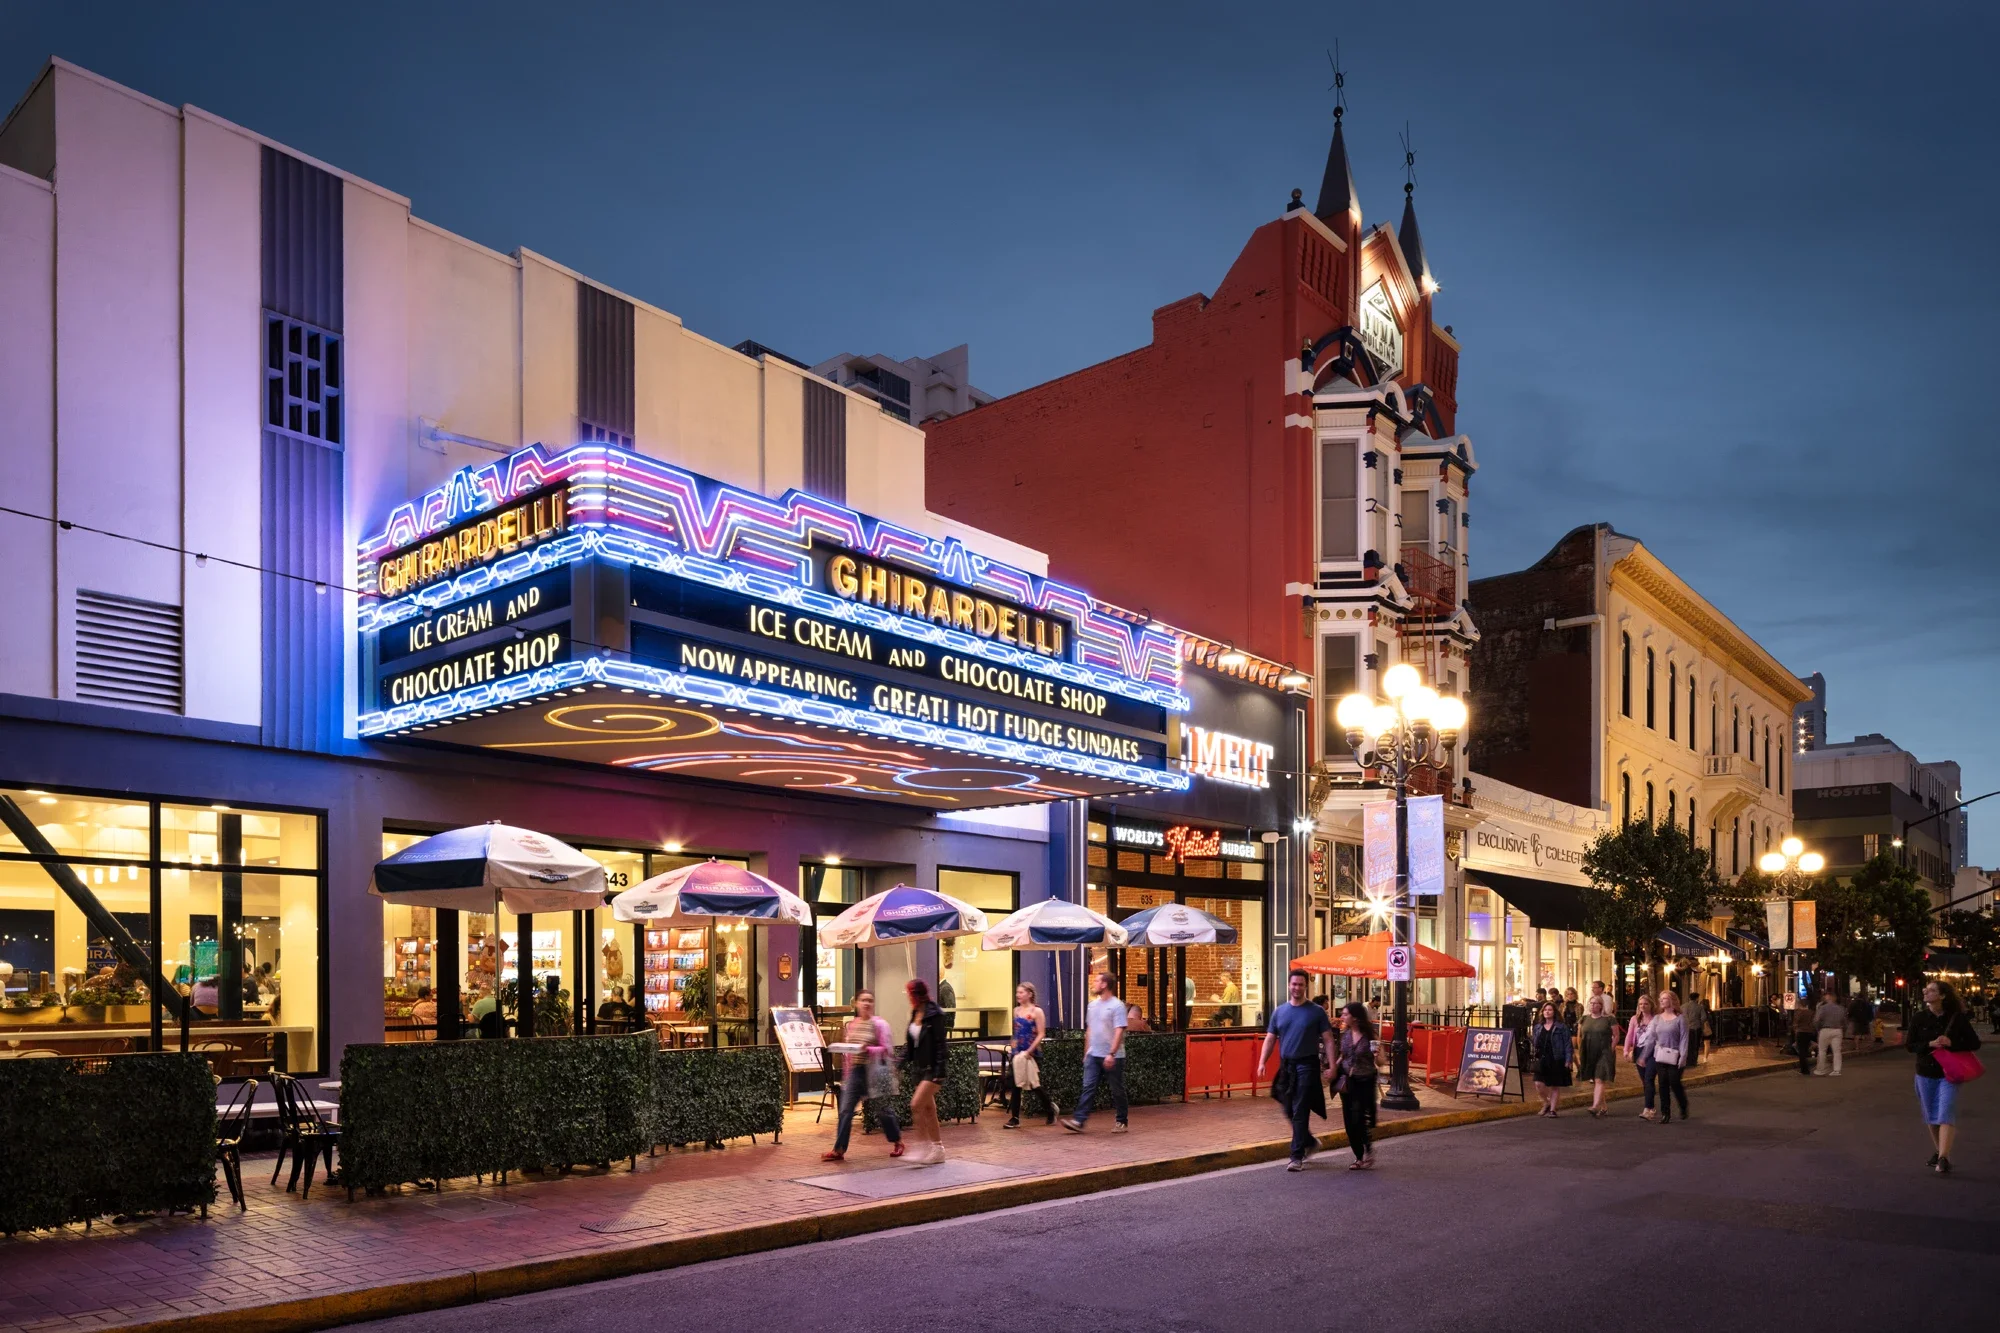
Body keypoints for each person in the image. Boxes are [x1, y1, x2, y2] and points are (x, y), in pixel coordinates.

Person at [1257, 969, 1336, 1170]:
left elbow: (1328, 1039)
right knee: (1286, 1105)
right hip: (1287, 1066)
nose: (1297, 988)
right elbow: (1270, 1038)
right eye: (1294, 984)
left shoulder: (1316, 1011)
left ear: (1306, 986)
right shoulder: (1279, 1011)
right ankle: (1308, 1141)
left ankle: (1296, 1156)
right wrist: (1262, 1062)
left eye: (1300, 984)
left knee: (1300, 1109)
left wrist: (1332, 1065)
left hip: (1307, 1065)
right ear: (1289, 985)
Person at [1905, 979, 1982, 1175]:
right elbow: (1910, 1045)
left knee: (1945, 1111)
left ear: (1942, 995)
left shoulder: (1956, 1018)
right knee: (1931, 1115)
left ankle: (1943, 1158)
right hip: (1925, 1072)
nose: (1925, 992)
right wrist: (1929, 1044)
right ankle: (1939, 1150)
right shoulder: (1919, 1018)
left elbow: (1974, 1043)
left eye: (1931, 990)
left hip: (1949, 1073)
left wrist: (1951, 1043)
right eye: (1926, 989)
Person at [824, 989, 903, 1162]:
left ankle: (897, 1141)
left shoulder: (880, 1024)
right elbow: (849, 1053)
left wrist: (868, 1049)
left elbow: (887, 1049)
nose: (867, 1003)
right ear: (857, 1003)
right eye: (863, 1000)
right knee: (846, 1110)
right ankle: (839, 1149)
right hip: (856, 1072)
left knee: (882, 1110)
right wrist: (847, 1076)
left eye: (870, 1000)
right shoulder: (853, 1025)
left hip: (873, 1072)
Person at [1064, 972, 1129, 1134]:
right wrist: (1086, 1052)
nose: (1093, 983)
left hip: (1113, 1056)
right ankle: (1079, 1120)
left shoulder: (1117, 1006)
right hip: (1094, 1054)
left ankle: (1122, 1120)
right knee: (1088, 1087)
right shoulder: (1092, 1005)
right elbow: (1090, 1030)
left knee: (1117, 1089)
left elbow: (1119, 1031)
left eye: (1097, 981)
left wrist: (1111, 1053)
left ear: (1104, 984)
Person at [902, 979, 949, 1164]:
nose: (907, 997)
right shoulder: (916, 1013)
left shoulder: (934, 1014)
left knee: (916, 1105)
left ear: (916, 994)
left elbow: (941, 1045)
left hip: (932, 1069)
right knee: (929, 1109)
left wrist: (939, 1070)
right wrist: (899, 1061)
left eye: (909, 993)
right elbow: (911, 1044)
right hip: (920, 1068)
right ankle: (938, 1149)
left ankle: (922, 1147)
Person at [1003, 983, 1056, 1129]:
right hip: (1017, 1053)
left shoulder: (1037, 1011)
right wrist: (1013, 1047)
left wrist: (1030, 1051)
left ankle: (1050, 1109)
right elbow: (1015, 1032)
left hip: (1031, 1053)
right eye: (1017, 992)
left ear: (1030, 994)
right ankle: (1014, 1118)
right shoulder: (1016, 1011)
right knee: (1016, 1084)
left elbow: (1041, 1033)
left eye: (1021, 992)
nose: (1018, 995)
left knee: (1034, 1084)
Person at [1333, 1001, 1378, 1170]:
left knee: (1359, 1118)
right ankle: (1358, 1156)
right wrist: (1333, 1068)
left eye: (1346, 1014)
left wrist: (1377, 1054)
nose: (1342, 1017)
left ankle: (1367, 1150)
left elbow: (1381, 1060)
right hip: (1348, 1081)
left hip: (1364, 1080)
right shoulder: (1345, 1035)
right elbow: (1343, 1055)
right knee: (1349, 1121)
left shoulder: (1370, 1036)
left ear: (1355, 1017)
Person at [1652, 992, 1689, 1123]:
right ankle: (1665, 1113)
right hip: (1661, 1055)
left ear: (1672, 1000)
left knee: (1674, 1082)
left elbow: (1684, 1038)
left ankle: (1683, 1105)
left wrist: (1683, 1056)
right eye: (1660, 999)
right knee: (1662, 1084)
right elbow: (1652, 1036)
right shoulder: (1657, 1018)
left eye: (1664, 998)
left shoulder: (1680, 1019)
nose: (1661, 1001)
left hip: (1675, 1055)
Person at [1531, 1001, 1573, 1117]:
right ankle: (1546, 1103)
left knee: (1555, 1085)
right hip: (1542, 1058)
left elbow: (1568, 1044)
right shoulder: (1538, 1027)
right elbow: (1534, 1042)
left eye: (1550, 1010)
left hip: (1556, 1058)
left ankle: (1553, 1110)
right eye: (1545, 1010)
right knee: (1538, 1084)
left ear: (1554, 1012)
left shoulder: (1561, 1027)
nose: (1547, 1012)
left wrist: (1568, 1059)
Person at [1579, 993, 1618, 1117]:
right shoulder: (1584, 1018)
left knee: (1599, 1079)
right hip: (1589, 1051)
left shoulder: (1609, 1018)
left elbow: (1616, 1035)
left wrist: (1611, 1049)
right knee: (1595, 1080)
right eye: (1591, 1003)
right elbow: (1580, 1035)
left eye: (1595, 1003)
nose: (1593, 1005)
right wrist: (1580, 1051)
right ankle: (1604, 1106)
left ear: (1601, 1005)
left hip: (1604, 1051)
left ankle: (1595, 1106)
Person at [1624, 994, 1659, 1120]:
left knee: (1649, 1078)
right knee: (1645, 1080)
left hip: (1653, 1052)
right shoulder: (1635, 1019)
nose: (1643, 1006)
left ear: (1651, 1005)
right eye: (1640, 1004)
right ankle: (1651, 1106)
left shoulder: (1656, 1019)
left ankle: (1647, 1109)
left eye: (1645, 1004)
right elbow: (1629, 1035)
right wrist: (1626, 1050)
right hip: (1639, 1050)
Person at [1814, 990, 1849, 1076]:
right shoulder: (1841, 1008)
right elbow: (1845, 1022)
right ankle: (1836, 1070)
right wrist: (1843, 1030)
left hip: (1825, 1029)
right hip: (1838, 1030)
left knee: (1822, 1050)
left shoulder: (1823, 1008)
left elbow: (1817, 1020)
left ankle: (1821, 1069)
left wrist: (1818, 1029)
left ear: (1827, 997)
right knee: (1837, 1051)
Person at [1792, 992, 1819, 1075]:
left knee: (1801, 1051)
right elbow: (1814, 1022)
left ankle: (1804, 1069)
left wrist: (1795, 1031)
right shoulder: (1811, 1012)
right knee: (1806, 1049)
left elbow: (1795, 1023)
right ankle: (1807, 1067)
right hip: (1809, 1032)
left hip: (1801, 1032)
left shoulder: (1799, 1013)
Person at [1682, 991, 1707, 1068]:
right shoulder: (1700, 1007)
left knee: (1686, 1045)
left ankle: (1686, 1061)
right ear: (1697, 998)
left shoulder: (1683, 1006)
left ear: (1689, 998)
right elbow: (1704, 1018)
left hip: (1685, 1029)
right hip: (1696, 1028)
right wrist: (1698, 1022)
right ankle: (1693, 1062)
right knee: (1695, 1045)